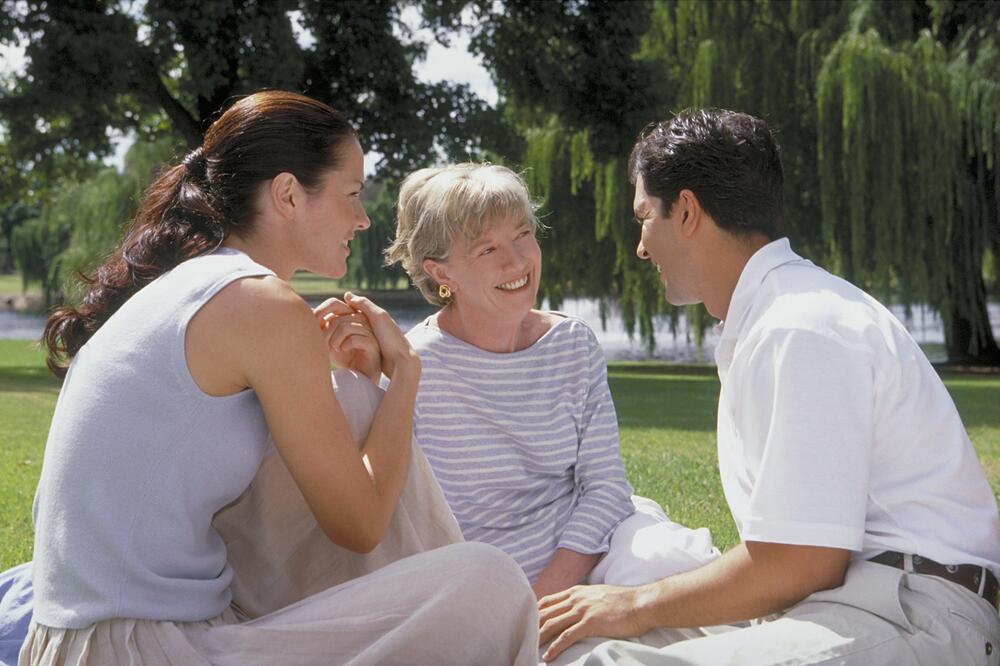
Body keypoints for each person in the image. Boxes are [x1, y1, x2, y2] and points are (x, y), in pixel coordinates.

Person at [17, 91, 538, 665]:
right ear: (288, 194)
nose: (364, 218)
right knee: (490, 585)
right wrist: (404, 377)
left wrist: (361, 386)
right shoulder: (260, 303)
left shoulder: (193, 284)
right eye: (352, 193)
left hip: (79, 638)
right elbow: (360, 525)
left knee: (354, 404)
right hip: (138, 649)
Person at [535, 109, 1000, 665]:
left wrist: (637, 602)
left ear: (685, 211)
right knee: (576, 646)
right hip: (842, 602)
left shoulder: (800, 325)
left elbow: (802, 560)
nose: (640, 246)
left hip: (915, 613)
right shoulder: (777, 316)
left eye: (644, 217)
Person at [384, 163, 719, 603]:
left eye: (523, 234)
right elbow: (409, 521)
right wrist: (514, 608)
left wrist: (546, 598)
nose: (518, 260)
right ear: (442, 273)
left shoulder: (572, 344)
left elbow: (605, 488)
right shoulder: (414, 367)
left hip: (592, 550)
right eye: (488, 249)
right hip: (481, 575)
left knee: (677, 569)